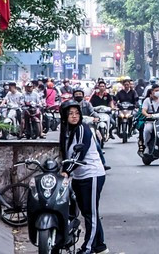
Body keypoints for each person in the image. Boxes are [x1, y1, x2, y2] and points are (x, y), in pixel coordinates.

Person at [59, 100, 108, 254]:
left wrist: (67, 171)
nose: (74, 116)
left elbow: (79, 153)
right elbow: (65, 153)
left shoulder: (82, 129)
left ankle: (88, 248)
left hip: (92, 174)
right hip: (79, 177)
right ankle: (100, 246)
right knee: (87, 212)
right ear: (64, 116)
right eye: (70, 114)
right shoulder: (66, 131)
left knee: (91, 214)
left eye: (76, 113)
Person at [140, 84, 159, 154]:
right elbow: (143, 111)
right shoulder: (147, 100)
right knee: (148, 130)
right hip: (151, 121)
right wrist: (148, 115)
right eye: (156, 90)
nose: (158, 92)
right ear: (152, 91)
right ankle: (146, 146)